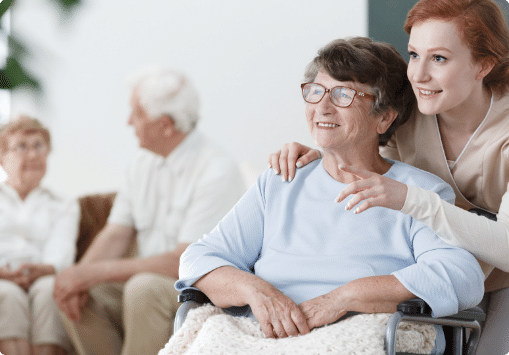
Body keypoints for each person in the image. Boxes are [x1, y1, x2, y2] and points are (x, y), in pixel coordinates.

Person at [175, 37, 484, 355]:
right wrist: (255, 290)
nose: (322, 107)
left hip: (359, 335)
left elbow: (460, 275)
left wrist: (345, 298)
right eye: (315, 91)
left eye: (343, 94)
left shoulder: (418, 193)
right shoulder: (281, 181)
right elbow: (199, 258)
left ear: (384, 117)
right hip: (263, 336)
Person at [268, 0, 509, 353]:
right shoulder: (412, 107)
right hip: (430, 274)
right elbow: (368, 148)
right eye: (414, 55)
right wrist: (322, 152)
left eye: (439, 58)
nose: (419, 74)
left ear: (483, 65)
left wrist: (412, 200)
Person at [53, 68, 246, 355]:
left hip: (200, 289)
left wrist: (94, 272)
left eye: (137, 114)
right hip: (148, 280)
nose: (129, 122)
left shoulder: (217, 170)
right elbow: (116, 233)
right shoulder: (141, 165)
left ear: (166, 125)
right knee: (70, 291)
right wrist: (78, 277)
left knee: (142, 288)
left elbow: (184, 263)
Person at [0, 116, 79, 355]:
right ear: (2, 157)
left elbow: (61, 252)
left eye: (39, 146)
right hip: (1, 277)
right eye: (22, 146)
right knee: (7, 294)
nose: (33, 154)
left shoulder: (64, 204)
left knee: (49, 291)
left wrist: (42, 269)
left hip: (44, 275)